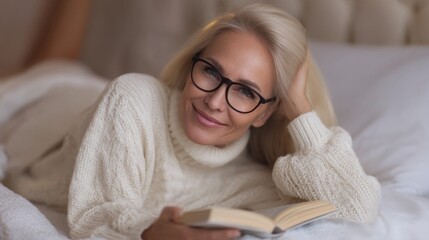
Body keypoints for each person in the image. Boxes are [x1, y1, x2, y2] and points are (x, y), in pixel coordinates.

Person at [3, 3, 381, 240]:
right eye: (211, 71)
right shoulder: (132, 97)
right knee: (49, 79)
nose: (215, 101)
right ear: (191, 65)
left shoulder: (254, 181)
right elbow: (93, 217)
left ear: (267, 111)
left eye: (246, 92)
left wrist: (299, 110)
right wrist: (148, 233)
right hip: (48, 119)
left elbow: (358, 209)